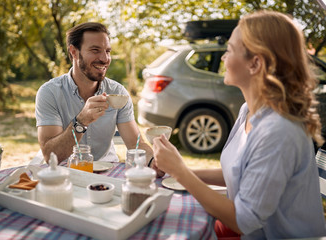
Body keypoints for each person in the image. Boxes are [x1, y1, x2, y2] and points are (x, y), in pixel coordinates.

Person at [153, 10, 326, 239]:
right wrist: (177, 171)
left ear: (255, 63)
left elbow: (244, 220)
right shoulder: (248, 110)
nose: (223, 58)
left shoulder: (280, 131)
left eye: (229, 50)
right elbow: (238, 173)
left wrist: (181, 171)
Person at [35, 22, 164, 177]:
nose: (104, 59)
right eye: (95, 50)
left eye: (107, 51)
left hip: (108, 173)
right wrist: (80, 122)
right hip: (65, 175)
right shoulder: (50, 93)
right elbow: (50, 156)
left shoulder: (117, 93)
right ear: (74, 52)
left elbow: (136, 144)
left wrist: (153, 162)